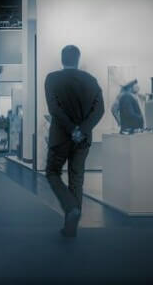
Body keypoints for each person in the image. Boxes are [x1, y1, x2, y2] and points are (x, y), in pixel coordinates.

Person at [44, 45, 104, 238]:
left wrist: (71, 129)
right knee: (76, 179)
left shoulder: (52, 79)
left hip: (60, 137)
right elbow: (99, 110)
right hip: (83, 139)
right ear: (78, 59)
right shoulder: (91, 80)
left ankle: (71, 208)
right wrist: (82, 130)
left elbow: (54, 108)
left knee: (52, 173)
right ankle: (71, 228)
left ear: (62, 59)